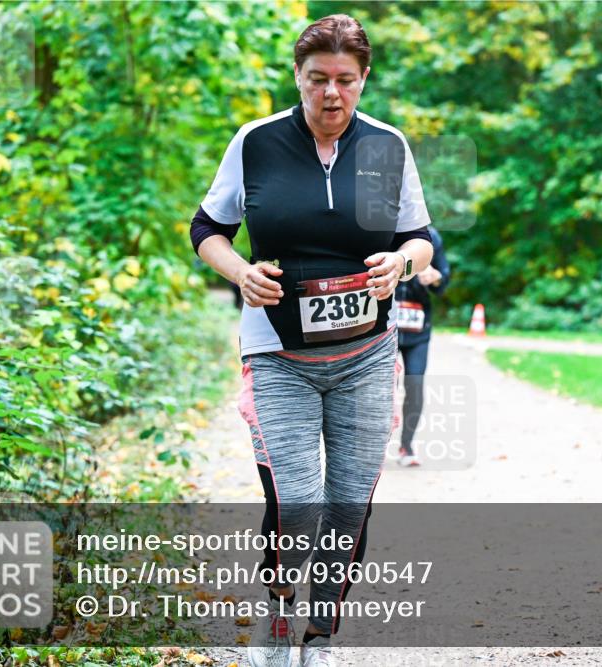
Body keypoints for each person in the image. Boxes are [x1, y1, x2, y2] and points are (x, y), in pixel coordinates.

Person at [188, 14, 433, 667]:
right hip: (277, 353)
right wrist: (240, 271)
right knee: (297, 500)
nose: (331, 95)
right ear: (296, 78)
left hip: (366, 354)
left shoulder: (387, 147)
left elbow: (422, 239)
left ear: (364, 79)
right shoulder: (256, 142)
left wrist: (399, 263)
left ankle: (319, 636)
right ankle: (275, 620)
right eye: (317, 80)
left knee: (348, 506)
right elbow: (207, 227)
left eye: (345, 81)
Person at [393, 225, 450, 467]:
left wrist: (435, 277)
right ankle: (371, 445)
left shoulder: (431, 237)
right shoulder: (379, 233)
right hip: (384, 326)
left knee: (415, 385)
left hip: (418, 330)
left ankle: (407, 446)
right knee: (378, 388)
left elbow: (444, 280)